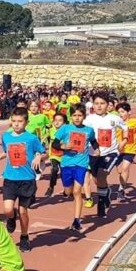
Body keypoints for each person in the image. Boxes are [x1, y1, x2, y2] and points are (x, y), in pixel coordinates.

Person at [0, 108, 44, 252]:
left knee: (23, 211)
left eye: (20, 121)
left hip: (27, 179)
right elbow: (7, 151)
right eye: (13, 121)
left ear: (26, 122)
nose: (16, 124)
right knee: (8, 209)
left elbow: (43, 152)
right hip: (10, 178)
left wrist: (39, 156)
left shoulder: (31, 138)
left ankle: (24, 236)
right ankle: (10, 218)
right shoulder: (6, 137)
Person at [53, 104, 98, 232]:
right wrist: (63, 147)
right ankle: (67, 191)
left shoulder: (89, 130)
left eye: (80, 115)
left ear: (84, 116)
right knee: (69, 191)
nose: (77, 118)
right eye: (74, 115)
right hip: (66, 163)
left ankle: (76, 221)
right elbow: (54, 143)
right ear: (71, 116)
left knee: (77, 191)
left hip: (81, 164)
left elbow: (94, 141)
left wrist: (97, 150)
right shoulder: (65, 128)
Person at [82, 92, 126, 212]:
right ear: (93, 105)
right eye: (96, 103)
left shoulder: (114, 118)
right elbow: (82, 134)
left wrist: (124, 140)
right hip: (93, 154)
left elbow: (125, 128)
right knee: (97, 180)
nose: (99, 106)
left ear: (108, 105)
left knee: (102, 175)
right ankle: (106, 193)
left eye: (102, 103)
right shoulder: (88, 120)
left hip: (110, 153)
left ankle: (101, 205)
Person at [115, 103, 136, 198]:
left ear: (129, 112)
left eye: (122, 112)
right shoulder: (116, 123)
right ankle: (123, 184)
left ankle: (121, 189)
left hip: (130, 149)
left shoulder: (135, 121)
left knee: (125, 167)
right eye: (119, 112)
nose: (120, 114)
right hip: (118, 150)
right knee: (120, 171)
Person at [44, 113, 67, 198]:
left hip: (64, 155)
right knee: (54, 169)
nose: (57, 122)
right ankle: (51, 187)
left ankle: (66, 188)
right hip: (53, 155)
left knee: (64, 172)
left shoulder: (66, 131)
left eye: (60, 120)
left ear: (64, 123)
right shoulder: (50, 130)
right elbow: (44, 139)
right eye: (55, 120)